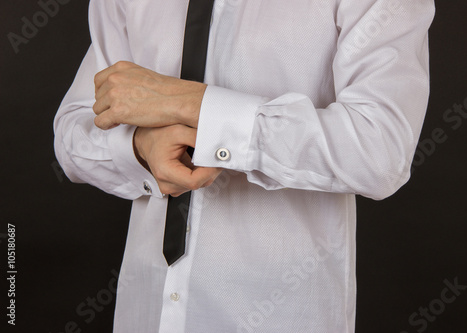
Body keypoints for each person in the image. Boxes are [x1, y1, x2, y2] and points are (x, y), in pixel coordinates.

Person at [54, 0, 435, 332]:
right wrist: (138, 148)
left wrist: (195, 104)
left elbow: (380, 149)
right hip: (146, 309)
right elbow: (73, 131)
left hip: (283, 313)